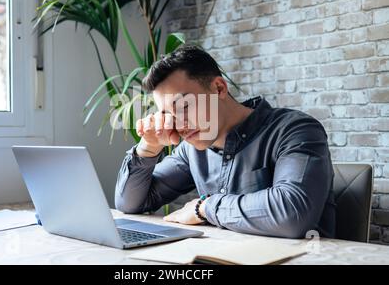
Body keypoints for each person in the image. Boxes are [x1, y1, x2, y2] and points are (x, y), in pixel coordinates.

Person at [115, 45, 335, 238]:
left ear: (219, 88)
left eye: (184, 106)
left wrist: (205, 207)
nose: (179, 124)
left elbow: (292, 214)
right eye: (168, 114)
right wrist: (149, 147)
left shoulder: (295, 130)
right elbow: (130, 203)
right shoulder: (191, 150)